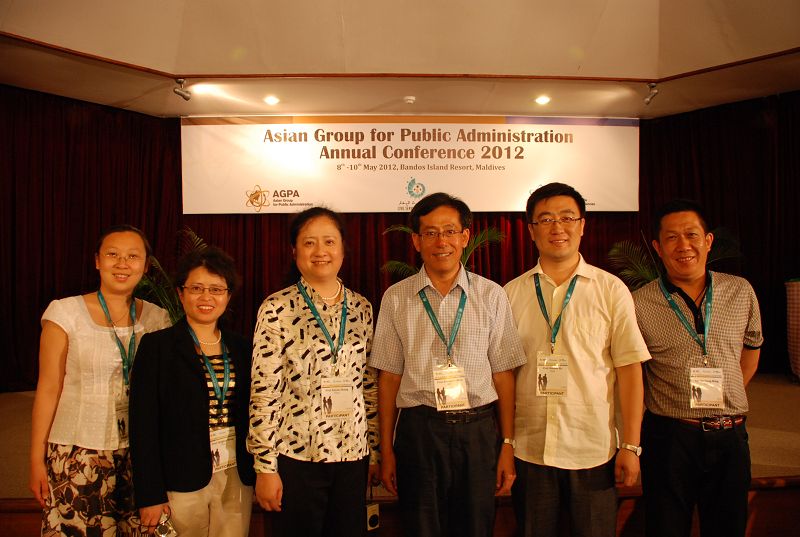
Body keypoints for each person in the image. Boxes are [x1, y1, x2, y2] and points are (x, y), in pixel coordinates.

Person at [370, 192, 527, 537]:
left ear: (465, 236)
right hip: (419, 432)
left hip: (478, 432)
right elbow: (389, 378)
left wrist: (507, 444)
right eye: (430, 233)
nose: (441, 241)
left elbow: (503, 375)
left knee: (476, 526)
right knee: (420, 527)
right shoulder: (396, 298)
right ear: (416, 241)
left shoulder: (491, 295)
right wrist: (386, 450)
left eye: (449, 231)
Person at [504, 182, 650, 537]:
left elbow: (629, 370)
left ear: (582, 225)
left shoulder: (610, 290)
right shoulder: (510, 294)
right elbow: (504, 376)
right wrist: (506, 443)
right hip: (531, 448)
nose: (557, 227)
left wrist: (631, 445)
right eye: (546, 219)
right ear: (531, 230)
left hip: (592, 448)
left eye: (567, 218)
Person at [29, 224, 171, 536]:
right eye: (112, 254)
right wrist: (36, 458)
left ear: (146, 265)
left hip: (138, 451)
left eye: (133, 256)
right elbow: (49, 388)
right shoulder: (65, 313)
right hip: (77, 452)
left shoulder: (157, 319)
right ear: (97, 261)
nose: (122, 264)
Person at [632, 199, 762, 537]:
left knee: (728, 527)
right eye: (671, 237)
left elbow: (751, 352)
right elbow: (634, 373)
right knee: (666, 527)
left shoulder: (740, 291)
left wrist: (727, 393)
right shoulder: (640, 302)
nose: (683, 245)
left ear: (708, 241)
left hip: (730, 434)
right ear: (658, 247)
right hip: (670, 437)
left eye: (691, 235)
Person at [249, 207, 379, 537]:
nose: (320, 251)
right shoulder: (276, 308)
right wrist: (265, 466)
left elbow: (368, 385)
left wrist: (374, 452)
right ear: (294, 251)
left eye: (329, 241)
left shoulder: (362, 307)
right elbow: (264, 392)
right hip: (296, 457)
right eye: (309, 242)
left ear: (343, 249)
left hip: (352, 457)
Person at [129, 247, 255, 536]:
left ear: (228, 296)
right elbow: (143, 426)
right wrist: (150, 494)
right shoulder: (157, 347)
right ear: (180, 293)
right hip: (180, 477)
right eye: (196, 288)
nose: (206, 297)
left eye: (216, 289)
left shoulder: (243, 348)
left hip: (236, 473)